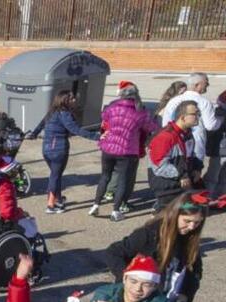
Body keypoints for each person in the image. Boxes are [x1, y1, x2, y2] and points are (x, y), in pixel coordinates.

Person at [105, 190, 214, 302]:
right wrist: (128, 279)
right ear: (174, 215)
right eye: (187, 221)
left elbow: (195, 270)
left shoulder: (190, 239)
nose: (192, 227)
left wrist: (186, 293)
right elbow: (113, 252)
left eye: (197, 223)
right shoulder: (149, 234)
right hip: (140, 301)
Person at [88, 82, 160, 222]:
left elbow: (105, 118)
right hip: (127, 150)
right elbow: (151, 127)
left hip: (109, 147)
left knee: (105, 176)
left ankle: (95, 204)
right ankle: (115, 210)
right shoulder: (141, 112)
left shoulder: (112, 107)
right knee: (122, 180)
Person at [26, 91, 100, 213]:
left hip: (46, 148)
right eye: (72, 98)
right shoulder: (64, 113)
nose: (74, 100)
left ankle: (59, 199)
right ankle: (51, 205)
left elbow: (40, 124)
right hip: (58, 149)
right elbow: (75, 129)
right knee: (55, 176)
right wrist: (96, 136)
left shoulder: (52, 112)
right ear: (64, 100)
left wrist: (34, 134)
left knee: (56, 175)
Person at [160, 73, 223, 174]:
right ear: (197, 85)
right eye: (206, 83)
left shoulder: (174, 101)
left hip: (174, 145)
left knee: (177, 172)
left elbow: (165, 125)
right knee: (193, 175)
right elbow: (211, 125)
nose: (208, 85)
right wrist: (220, 120)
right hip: (196, 147)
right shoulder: (203, 102)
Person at [148, 101, 202, 209]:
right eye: (195, 114)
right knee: (167, 219)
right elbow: (159, 165)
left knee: (191, 213)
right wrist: (181, 175)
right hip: (167, 185)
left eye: (198, 113)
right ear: (182, 117)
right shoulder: (166, 137)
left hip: (182, 184)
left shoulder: (187, 134)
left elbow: (190, 156)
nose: (198, 117)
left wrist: (196, 168)